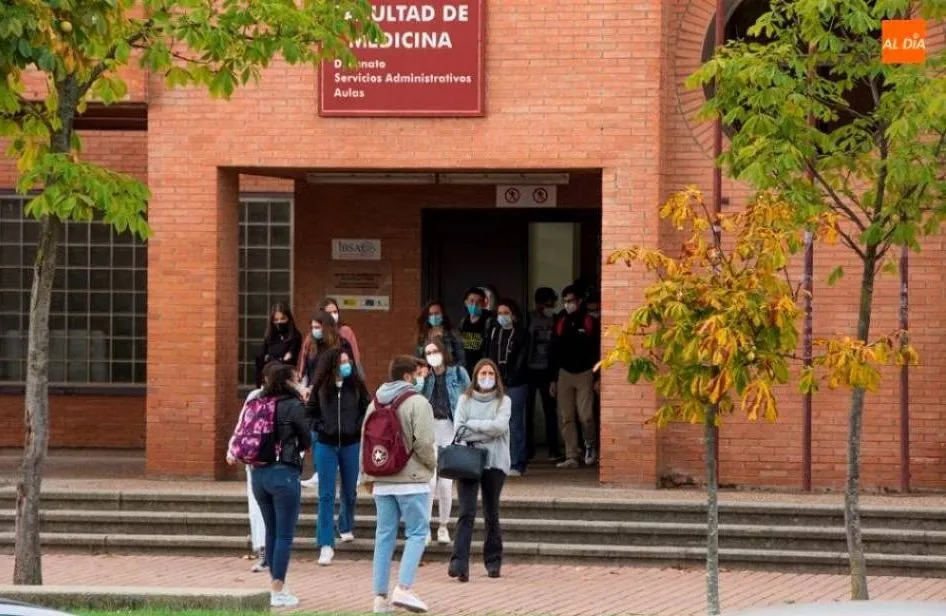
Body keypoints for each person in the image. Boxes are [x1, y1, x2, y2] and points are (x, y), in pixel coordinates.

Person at [227, 362, 311, 608]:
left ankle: (277, 585)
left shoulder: (254, 403)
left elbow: (241, 433)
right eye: (295, 379)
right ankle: (277, 588)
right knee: (284, 534)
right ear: (287, 381)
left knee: (271, 532)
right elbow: (306, 439)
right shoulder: (294, 405)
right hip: (283, 473)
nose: (298, 382)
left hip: (258, 474)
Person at [361, 355, 436, 614]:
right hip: (412, 480)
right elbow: (424, 443)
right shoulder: (418, 402)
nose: (421, 377)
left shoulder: (375, 403)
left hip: (382, 479)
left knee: (384, 536)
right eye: (418, 373)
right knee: (417, 532)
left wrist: (367, 477)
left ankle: (379, 598)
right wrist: (431, 465)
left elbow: (365, 443)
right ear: (407, 377)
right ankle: (404, 588)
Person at [448, 359, 511, 583]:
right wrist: (484, 430)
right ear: (475, 376)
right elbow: (459, 429)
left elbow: (499, 427)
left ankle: (493, 561)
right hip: (468, 461)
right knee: (466, 512)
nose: (486, 377)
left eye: (490, 373)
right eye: (482, 373)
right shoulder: (464, 400)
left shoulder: (504, 401)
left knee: (491, 512)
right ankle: (459, 563)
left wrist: (473, 426)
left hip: (495, 463)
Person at [308, 348, 370, 566]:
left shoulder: (357, 386)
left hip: (351, 443)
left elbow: (367, 410)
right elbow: (311, 412)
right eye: (342, 362)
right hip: (326, 443)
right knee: (326, 494)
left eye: (348, 361)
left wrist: (357, 426)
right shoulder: (321, 388)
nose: (347, 365)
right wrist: (320, 427)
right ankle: (325, 543)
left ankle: (345, 525)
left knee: (350, 489)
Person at [419, 339, 471, 545]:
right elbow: (415, 400)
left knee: (446, 483)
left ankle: (443, 526)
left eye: (435, 351)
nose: (432, 355)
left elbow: (470, 397)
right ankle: (424, 527)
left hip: (451, 428)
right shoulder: (425, 377)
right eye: (428, 352)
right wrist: (420, 381)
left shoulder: (458, 373)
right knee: (429, 481)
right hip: (430, 428)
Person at [228, 363, 277, 573]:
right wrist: (233, 449)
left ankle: (272, 553)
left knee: (269, 509)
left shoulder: (287, 399)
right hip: (258, 462)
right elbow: (243, 426)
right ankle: (264, 551)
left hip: (275, 463)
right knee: (258, 509)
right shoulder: (254, 397)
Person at [298, 311, 353, 489]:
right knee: (317, 431)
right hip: (316, 393)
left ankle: (342, 470)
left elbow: (349, 368)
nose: (315, 331)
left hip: (338, 392)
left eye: (318, 327)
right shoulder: (312, 345)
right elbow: (306, 369)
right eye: (312, 327)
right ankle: (319, 471)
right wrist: (305, 388)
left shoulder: (342, 344)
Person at [549, 285, 600, 469]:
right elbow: (553, 351)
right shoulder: (561, 321)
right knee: (566, 416)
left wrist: (597, 377)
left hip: (585, 373)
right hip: (564, 373)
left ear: (579, 301)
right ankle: (572, 454)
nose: (568, 304)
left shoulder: (589, 322)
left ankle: (590, 446)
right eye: (565, 301)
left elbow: (597, 351)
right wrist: (553, 379)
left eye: (571, 300)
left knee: (586, 415)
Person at [484, 298, 530, 476]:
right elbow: (488, 356)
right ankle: (498, 461)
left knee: (515, 423)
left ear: (514, 315)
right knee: (495, 423)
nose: (502, 317)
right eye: (500, 313)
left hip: (516, 383)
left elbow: (521, 361)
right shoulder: (494, 332)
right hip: (495, 383)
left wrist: (509, 378)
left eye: (506, 313)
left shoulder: (522, 334)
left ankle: (518, 462)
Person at [525, 287, 563, 463]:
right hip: (529, 371)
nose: (551, 306)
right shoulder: (528, 319)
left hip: (547, 372)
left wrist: (554, 376)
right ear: (539, 304)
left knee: (550, 412)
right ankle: (527, 450)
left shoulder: (555, 320)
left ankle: (553, 450)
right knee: (528, 412)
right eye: (548, 303)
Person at [253, 303, 303, 388]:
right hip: (267, 380)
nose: (279, 322)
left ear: (288, 318)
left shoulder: (295, 336)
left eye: (282, 319)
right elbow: (261, 358)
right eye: (276, 320)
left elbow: (288, 359)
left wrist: (269, 358)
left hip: (286, 381)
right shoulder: (269, 336)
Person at [415, 300, 465, 371]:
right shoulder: (423, 335)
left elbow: (461, 358)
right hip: (429, 375)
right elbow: (418, 358)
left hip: (449, 374)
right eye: (431, 314)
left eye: (437, 313)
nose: (434, 316)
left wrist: (454, 373)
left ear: (443, 314)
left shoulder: (452, 333)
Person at [320, 297, 363, 373]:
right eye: (329, 313)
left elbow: (355, 357)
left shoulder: (345, 331)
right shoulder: (317, 332)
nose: (333, 315)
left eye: (335, 312)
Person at [457, 287, 493, 371]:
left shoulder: (489, 322)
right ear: (466, 303)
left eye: (478, 302)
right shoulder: (463, 323)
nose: (475, 305)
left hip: (483, 369)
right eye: (471, 301)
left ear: (484, 303)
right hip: (466, 369)